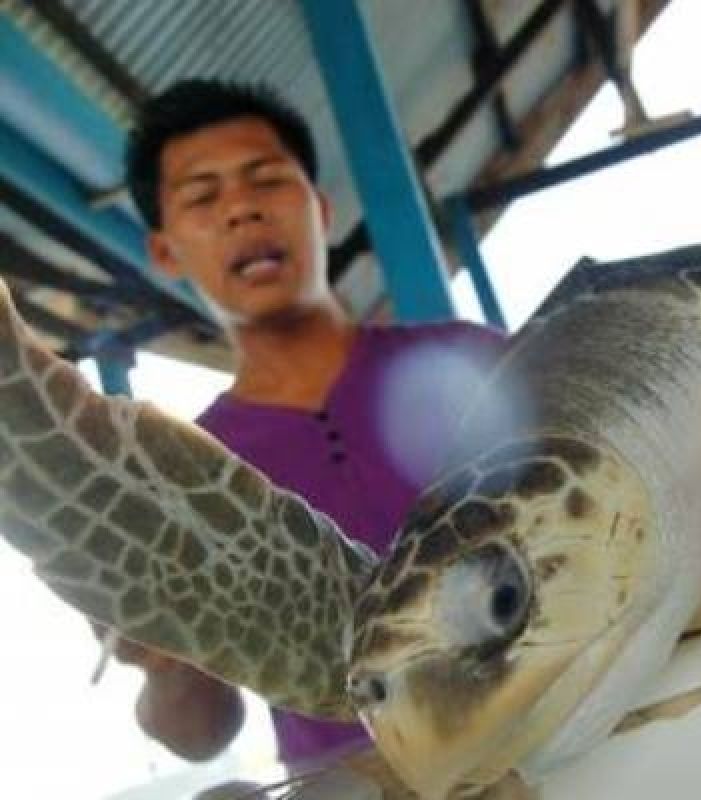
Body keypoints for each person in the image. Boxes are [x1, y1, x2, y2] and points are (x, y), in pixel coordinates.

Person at [105, 78, 508, 766]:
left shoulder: (474, 359)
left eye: (266, 180)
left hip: (567, 733)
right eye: (203, 196)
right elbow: (200, 736)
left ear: (319, 210)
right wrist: (159, 660)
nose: (242, 210)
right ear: (166, 251)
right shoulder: (180, 473)